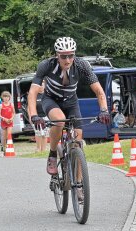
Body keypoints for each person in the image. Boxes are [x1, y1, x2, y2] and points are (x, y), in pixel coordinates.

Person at [27, 37, 110, 176]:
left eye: (71, 56)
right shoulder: (46, 65)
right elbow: (33, 92)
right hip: (51, 99)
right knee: (59, 120)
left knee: (78, 142)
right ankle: (53, 154)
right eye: (63, 56)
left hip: (71, 101)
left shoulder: (82, 65)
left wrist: (104, 110)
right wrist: (34, 115)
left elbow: (99, 91)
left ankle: (78, 184)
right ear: (56, 55)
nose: (67, 60)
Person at [32, 83, 49, 153]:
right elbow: (30, 107)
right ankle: (38, 148)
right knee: (38, 133)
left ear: (45, 86)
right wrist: (32, 116)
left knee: (45, 134)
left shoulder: (47, 95)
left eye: (42, 85)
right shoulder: (34, 95)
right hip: (37, 117)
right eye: (40, 85)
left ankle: (43, 149)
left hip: (46, 117)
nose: (41, 86)